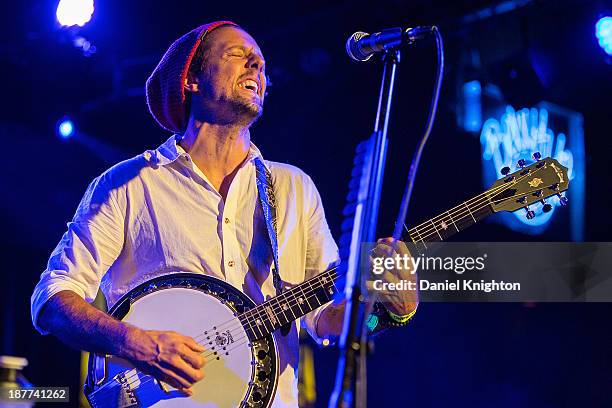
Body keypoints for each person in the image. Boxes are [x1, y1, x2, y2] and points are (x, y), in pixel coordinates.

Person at [31, 21, 417, 407]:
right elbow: (51, 300)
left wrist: (386, 313)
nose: (256, 65)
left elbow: (328, 325)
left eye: (261, 64)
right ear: (191, 79)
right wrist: (137, 344)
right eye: (237, 55)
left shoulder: (294, 188)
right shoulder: (128, 185)